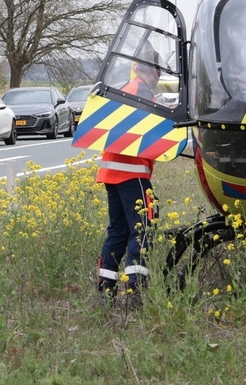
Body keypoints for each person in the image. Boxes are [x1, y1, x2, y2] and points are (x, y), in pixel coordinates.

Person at [96, 47, 162, 307]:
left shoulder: (124, 88)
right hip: (132, 172)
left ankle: (106, 291)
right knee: (143, 228)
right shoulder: (142, 93)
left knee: (118, 230)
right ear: (155, 71)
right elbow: (147, 132)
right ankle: (135, 290)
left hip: (112, 173)